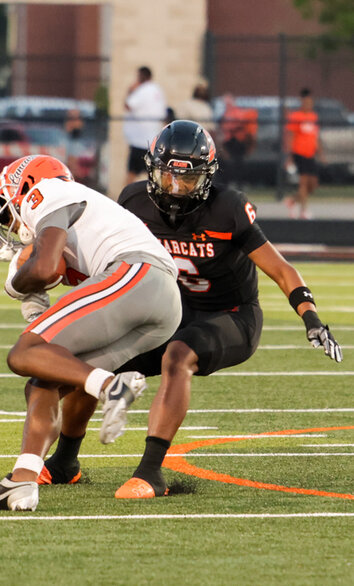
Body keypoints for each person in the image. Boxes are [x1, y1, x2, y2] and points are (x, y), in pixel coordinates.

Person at [40, 120, 343, 500]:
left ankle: (150, 472)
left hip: (231, 314)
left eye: (188, 179)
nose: (176, 188)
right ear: (152, 169)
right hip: (169, 312)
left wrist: (310, 316)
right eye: (167, 176)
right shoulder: (134, 201)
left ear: (207, 177)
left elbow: (281, 269)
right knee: (98, 361)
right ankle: (64, 464)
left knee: (177, 355)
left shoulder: (228, 208)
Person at [0, 155, 181, 512]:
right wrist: (32, 296)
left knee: (23, 351)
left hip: (137, 273)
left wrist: (16, 283)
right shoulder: (80, 218)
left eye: (6, 211)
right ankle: (23, 480)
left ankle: (112, 386)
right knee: (42, 377)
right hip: (161, 304)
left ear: (24, 188)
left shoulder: (47, 191)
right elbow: (53, 275)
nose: (9, 223)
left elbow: (45, 267)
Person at [123, 66, 167, 186]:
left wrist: (130, 91)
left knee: (131, 172)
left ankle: (124, 199)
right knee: (152, 173)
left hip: (139, 140)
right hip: (153, 139)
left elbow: (128, 105)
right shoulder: (157, 90)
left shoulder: (142, 90)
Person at [284, 88, 323, 220]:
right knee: (304, 182)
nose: (308, 104)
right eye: (306, 102)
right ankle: (304, 211)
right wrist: (289, 156)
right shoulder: (296, 116)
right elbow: (290, 136)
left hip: (310, 154)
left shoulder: (313, 117)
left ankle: (292, 200)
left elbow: (315, 136)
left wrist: (321, 153)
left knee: (312, 184)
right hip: (299, 152)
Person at [218, 94, 258, 192]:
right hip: (229, 142)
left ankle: (237, 183)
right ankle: (229, 184)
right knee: (227, 163)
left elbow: (242, 128)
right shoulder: (227, 114)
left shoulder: (234, 113)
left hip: (236, 142)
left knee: (237, 163)